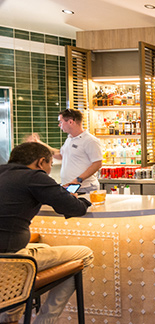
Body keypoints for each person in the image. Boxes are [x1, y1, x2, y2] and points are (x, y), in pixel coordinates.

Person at [0, 142, 94, 324]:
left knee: (43, 247)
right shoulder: (35, 176)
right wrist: (82, 201)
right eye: (50, 164)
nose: (50, 169)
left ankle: (10, 316)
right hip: (11, 260)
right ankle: (44, 321)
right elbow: (74, 208)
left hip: (7, 258)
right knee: (84, 254)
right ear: (41, 162)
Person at [29, 108, 103, 193]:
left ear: (71, 122)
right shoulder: (70, 138)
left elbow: (97, 163)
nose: (59, 125)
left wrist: (78, 179)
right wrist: (40, 143)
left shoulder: (90, 140)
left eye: (61, 122)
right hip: (69, 187)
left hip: (84, 187)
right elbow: (61, 155)